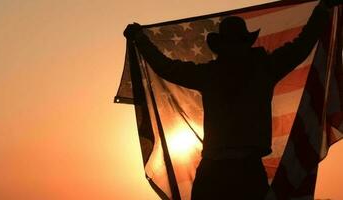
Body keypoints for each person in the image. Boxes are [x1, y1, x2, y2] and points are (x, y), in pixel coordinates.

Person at [124, 0, 341, 199]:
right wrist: (141, 41)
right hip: (231, 169)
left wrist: (141, 40)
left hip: (229, 169)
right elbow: (301, 45)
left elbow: (301, 45)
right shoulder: (260, 68)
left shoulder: (236, 71)